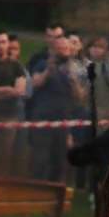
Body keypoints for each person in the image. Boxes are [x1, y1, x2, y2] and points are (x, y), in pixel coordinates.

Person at [29, 35, 85, 183]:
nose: (64, 52)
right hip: (43, 120)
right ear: (53, 50)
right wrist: (48, 69)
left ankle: (56, 193)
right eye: (60, 49)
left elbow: (80, 97)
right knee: (41, 159)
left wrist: (73, 81)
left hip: (63, 121)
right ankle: (37, 189)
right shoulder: (42, 64)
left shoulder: (73, 68)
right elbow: (35, 83)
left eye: (66, 48)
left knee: (60, 160)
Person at [0, 30, 27, 176]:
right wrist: (8, 89)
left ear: (8, 44)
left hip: (10, 116)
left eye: (3, 42)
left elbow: (19, 90)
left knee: (5, 154)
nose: (0, 46)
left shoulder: (16, 66)